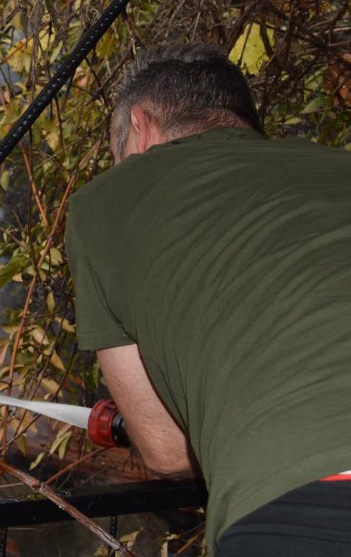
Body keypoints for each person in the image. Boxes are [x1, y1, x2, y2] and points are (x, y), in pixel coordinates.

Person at [64, 43, 351, 556]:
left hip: (308, 502)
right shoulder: (338, 165)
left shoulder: (103, 202)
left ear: (141, 125)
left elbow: (168, 449)